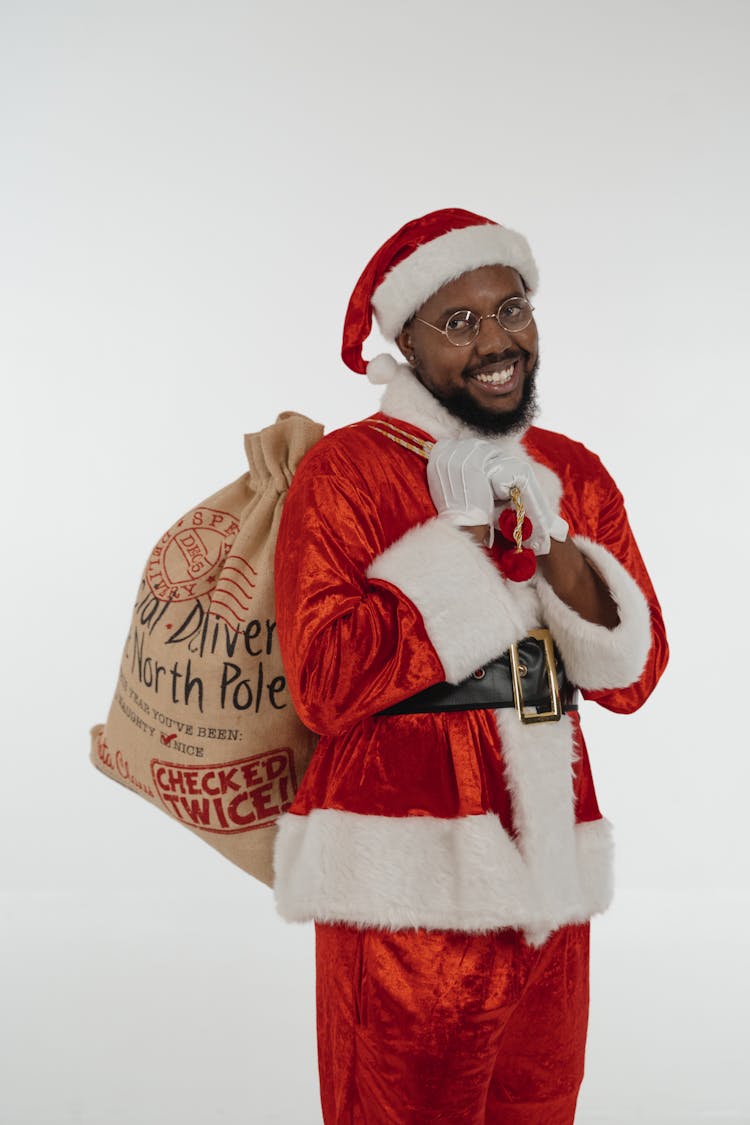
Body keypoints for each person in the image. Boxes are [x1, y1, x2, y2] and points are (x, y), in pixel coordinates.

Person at [271, 208, 668, 1124]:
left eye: (513, 310)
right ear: (404, 341)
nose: (498, 342)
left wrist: (551, 533)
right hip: (406, 886)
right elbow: (326, 681)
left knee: (540, 1107)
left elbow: (633, 677)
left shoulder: (573, 470)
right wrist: (463, 544)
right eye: (460, 322)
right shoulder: (344, 473)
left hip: (551, 883)